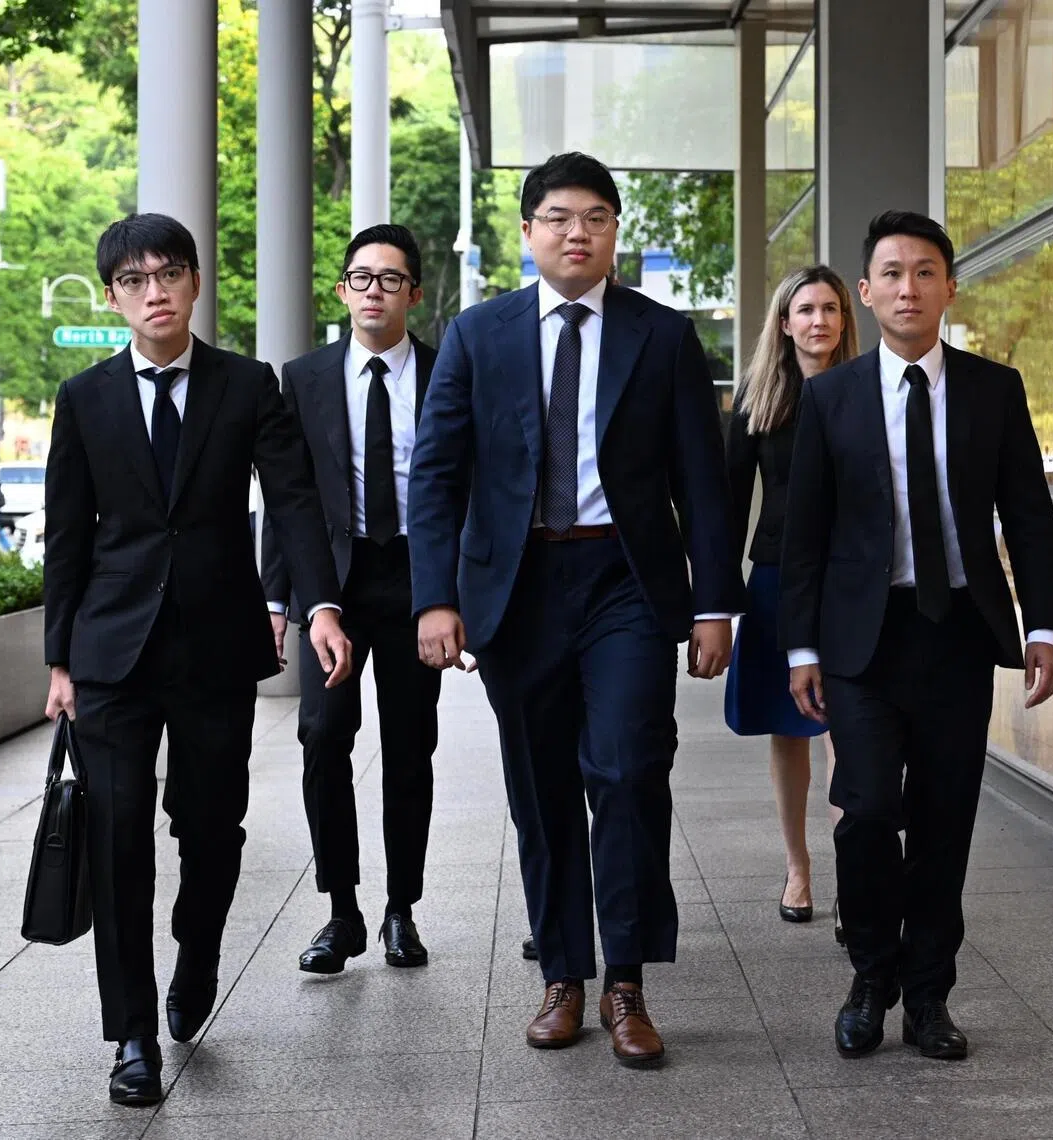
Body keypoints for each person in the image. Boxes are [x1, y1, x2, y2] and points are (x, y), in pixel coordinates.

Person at [408, 152, 744, 1068]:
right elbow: (436, 477)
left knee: (629, 767)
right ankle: (563, 972)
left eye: (596, 217)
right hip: (515, 591)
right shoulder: (479, 336)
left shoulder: (663, 336)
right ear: (528, 231)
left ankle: (625, 981)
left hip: (623, 582)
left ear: (614, 232)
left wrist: (715, 605)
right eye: (558, 217)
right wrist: (435, 598)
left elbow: (702, 488)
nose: (576, 233)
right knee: (542, 787)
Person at [43, 213, 352, 1107]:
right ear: (114, 297)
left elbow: (295, 501)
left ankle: (199, 951)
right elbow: (67, 539)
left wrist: (319, 603)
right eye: (135, 280)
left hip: (217, 644)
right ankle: (131, 1034)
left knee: (211, 828)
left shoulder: (247, 386)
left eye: (169, 274)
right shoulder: (85, 398)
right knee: (119, 838)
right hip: (111, 651)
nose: (155, 292)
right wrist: (60, 660)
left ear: (194, 283)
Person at [780, 211, 1053, 1062]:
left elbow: (1025, 513)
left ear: (949, 285)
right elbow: (806, 535)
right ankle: (872, 973)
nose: (909, 288)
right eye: (892, 274)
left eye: (926, 272)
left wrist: (1044, 626)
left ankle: (930, 995)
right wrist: (801, 649)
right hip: (863, 642)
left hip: (957, 636)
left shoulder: (994, 388)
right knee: (867, 811)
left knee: (946, 821)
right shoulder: (830, 398)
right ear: (866, 293)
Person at [262, 224, 443, 975]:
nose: (374, 291)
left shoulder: (445, 372)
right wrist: (279, 600)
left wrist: (455, 594)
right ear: (342, 290)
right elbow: (287, 497)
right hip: (331, 585)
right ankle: (342, 911)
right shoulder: (301, 379)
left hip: (413, 581)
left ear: (415, 294)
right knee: (322, 736)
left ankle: (402, 909)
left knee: (410, 747)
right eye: (361, 278)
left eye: (390, 279)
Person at [725, 266, 858, 937]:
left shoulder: (866, 390)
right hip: (778, 576)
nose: (818, 321)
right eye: (805, 310)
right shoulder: (759, 397)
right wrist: (711, 602)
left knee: (847, 727)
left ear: (844, 321)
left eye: (830, 309)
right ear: (784, 323)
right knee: (791, 728)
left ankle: (854, 879)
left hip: (851, 582)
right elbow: (724, 501)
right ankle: (798, 868)